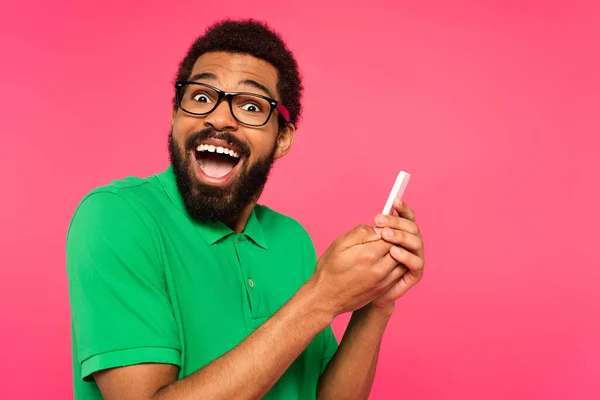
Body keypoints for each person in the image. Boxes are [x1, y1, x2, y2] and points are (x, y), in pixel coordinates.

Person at [66, 19, 425, 400]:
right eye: (201, 97)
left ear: (282, 138)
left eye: (251, 106)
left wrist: (376, 303)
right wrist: (320, 298)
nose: (219, 118)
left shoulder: (291, 240)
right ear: (175, 115)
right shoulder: (117, 217)